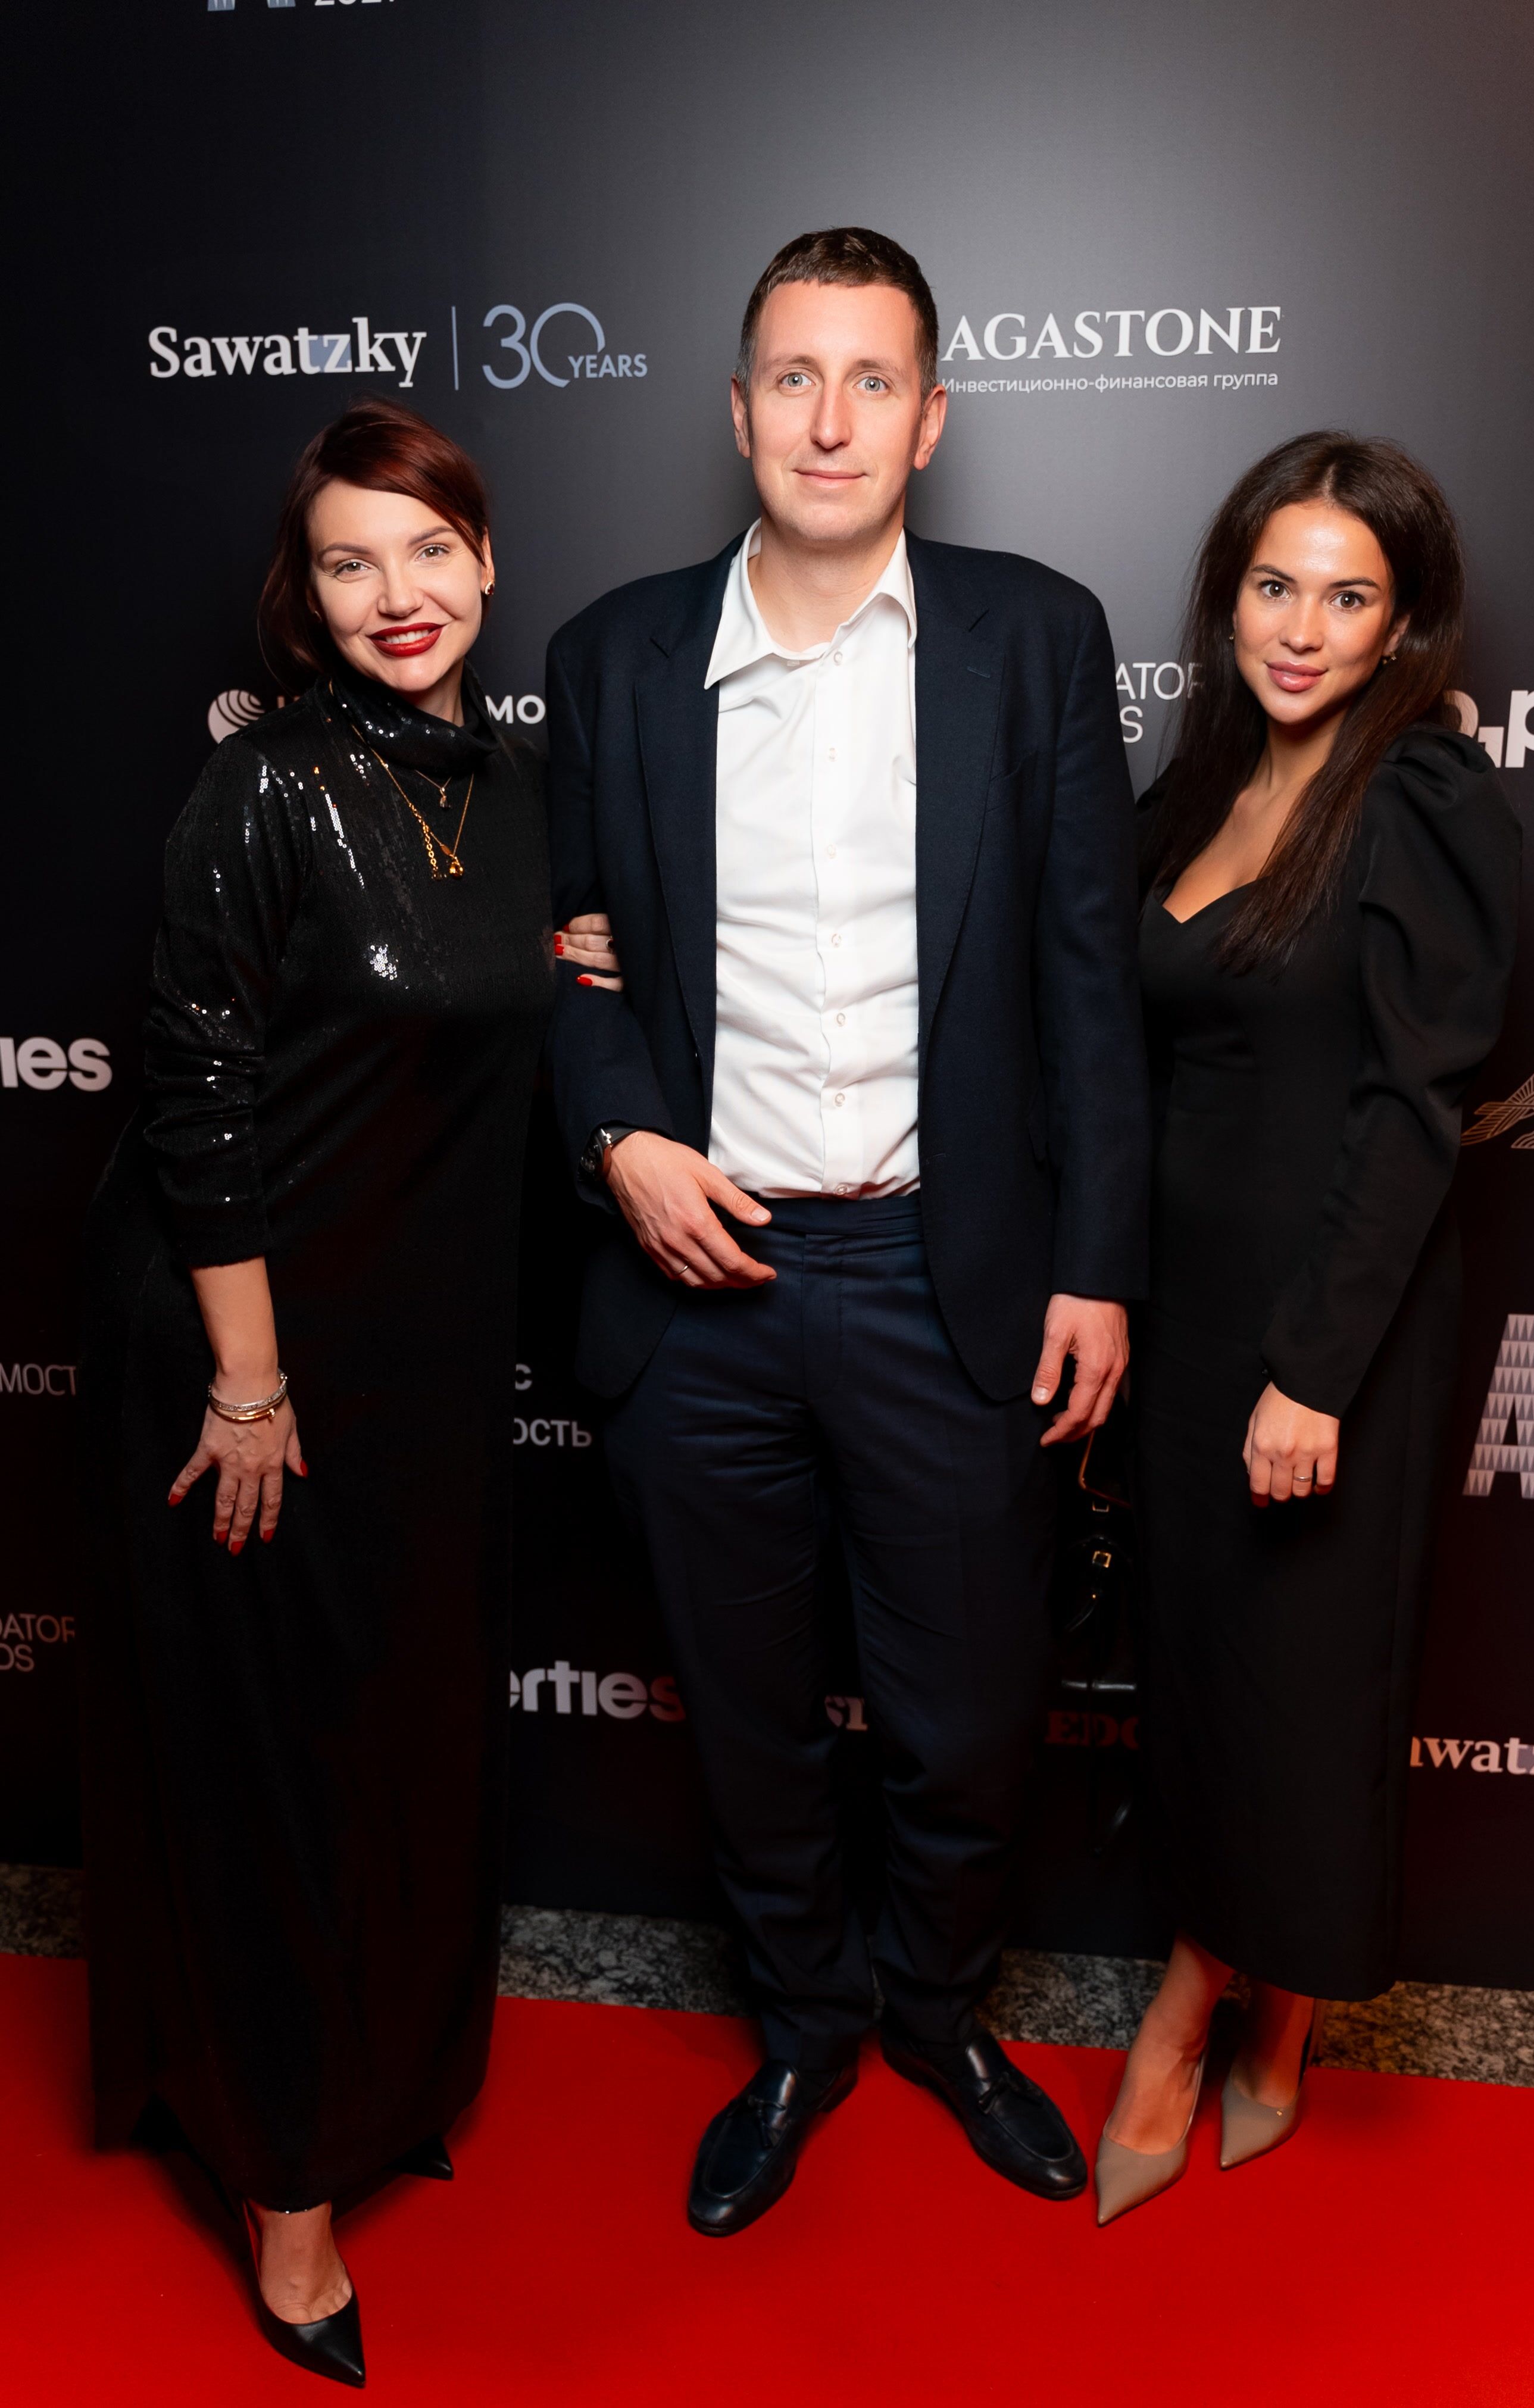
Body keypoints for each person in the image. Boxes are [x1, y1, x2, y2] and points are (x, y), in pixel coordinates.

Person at [545, 227, 1149, 2235]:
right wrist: (621, 1137)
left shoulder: (1034, 637)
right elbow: (567, 964)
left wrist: (1097, 1263)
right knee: (744, 1720)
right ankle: (804, 2026)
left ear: (931, 418)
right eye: (794, 378)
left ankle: (942, 2017)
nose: (830, 420)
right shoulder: (614, 655)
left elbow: (1087, 983)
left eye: (871, 380)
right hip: (693, 1282)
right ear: (739, 412)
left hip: (941, 1276)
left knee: (965, 1718)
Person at [78, 399, 614, 2382]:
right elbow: (195, 1092)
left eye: (429, 550)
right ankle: (284, 2176)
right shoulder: (261, 792)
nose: (398, 593)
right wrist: (246, 1383)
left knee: (400, 1736)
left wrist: (578, 960)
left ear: (486, 562)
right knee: (275, 1765)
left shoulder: (524, 789)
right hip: (252, 1347)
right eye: (348, 561)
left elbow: (502, 1010)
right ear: (303, 601)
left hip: (427, 1353)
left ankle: (385, 2086)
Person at [1097, 433, 1520, 2223]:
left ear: (1401, 625)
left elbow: (1415, 1111)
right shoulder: (1196, 787)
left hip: (1330, 1333)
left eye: (1349, 598)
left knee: (1300, 1689)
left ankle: (1201, 2017)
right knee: (1210, 1681)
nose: (1302, 627)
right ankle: (1273, 2004)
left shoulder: (1420, 796)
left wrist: (1314, 1373)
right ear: (1231, 594)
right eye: (1277, 586)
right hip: (1187, 1326)